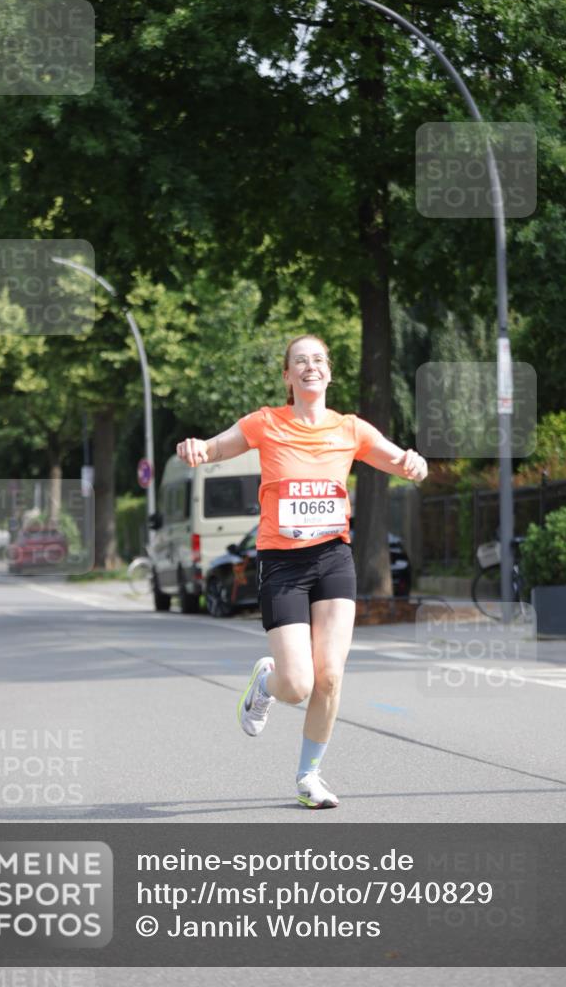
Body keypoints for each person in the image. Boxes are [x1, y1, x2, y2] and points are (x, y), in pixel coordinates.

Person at [176, 334, 427, 809]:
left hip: (332, 556)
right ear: (288, 377)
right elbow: (215, 448)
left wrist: (415, 463)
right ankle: (266, 684)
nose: (310, 367)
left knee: (330, 677)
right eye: (299, 362)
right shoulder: (265, 422)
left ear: (329, 372)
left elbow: (399, 461)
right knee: (298, 684)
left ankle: (309, 776)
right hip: (283, 561)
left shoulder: (351, 429)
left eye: (318, 360)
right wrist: (195, 449)